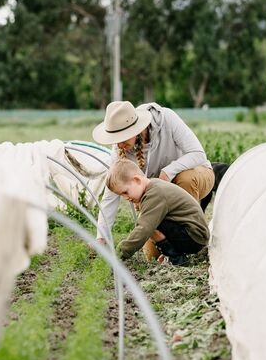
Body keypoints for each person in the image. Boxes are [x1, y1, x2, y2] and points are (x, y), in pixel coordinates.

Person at [92, 101, 215, 259]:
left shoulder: (167, 119)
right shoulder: (120, 148)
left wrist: (167, 172)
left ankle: (188, 244)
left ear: (135, 130)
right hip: (158, 198)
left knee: (184, 179)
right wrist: (101, 237)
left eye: (121, 139)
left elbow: (198, 154)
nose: (118, 144)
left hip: (196, 175)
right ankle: (174, 253)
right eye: (115, 140)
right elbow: (110, 196)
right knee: (152, 256)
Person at [106, 158, 209, 265]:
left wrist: (119, 253)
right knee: (150, 221)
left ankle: (176, 258)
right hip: (193, 234)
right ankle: (171, 254)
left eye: (125, 192)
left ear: (137, 180)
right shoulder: (154, 186)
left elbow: (144, 228)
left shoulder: (155, 194)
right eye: (121, 195)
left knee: (148, 225)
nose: (126, 198)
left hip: (194, 237)